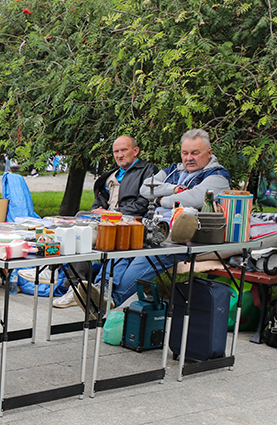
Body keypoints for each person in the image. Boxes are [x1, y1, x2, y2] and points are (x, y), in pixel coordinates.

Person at [77, 129, 231, 314]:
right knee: (124, 243)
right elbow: (146, 188)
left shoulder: (218, 176)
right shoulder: (173, 170)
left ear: (209, 152)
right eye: (185, 153)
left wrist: (160, 199)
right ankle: (103, 288)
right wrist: (175, 189)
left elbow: (193, 199)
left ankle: (108, 301)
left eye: (195, 153)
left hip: (186, 238)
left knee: (147, 257)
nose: (189, 158)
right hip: (155, 230)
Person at [54, 136, 157, 308]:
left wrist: (112, 213)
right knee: (76, 231)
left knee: (95, 237)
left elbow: (144, 204)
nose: (120, 155)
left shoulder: (147, 170)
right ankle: (74, 286)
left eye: (124, 150)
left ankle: (90, 288)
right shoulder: (111, 175)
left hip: (129, 223)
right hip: (104, 221)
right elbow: (99, 202)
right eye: (116, 151)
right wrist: (97, 213)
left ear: (135, 151)